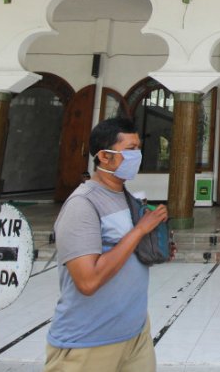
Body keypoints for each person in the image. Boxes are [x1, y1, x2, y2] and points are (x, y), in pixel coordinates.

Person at [45, 117, 168, 372]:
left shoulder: (127, 198)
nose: (137, 156)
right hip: (89, 340)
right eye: (130, 150)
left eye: (138, 148)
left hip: (135, 333)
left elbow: (125, 251)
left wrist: (152, 247)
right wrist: (141, 230)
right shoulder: (82, 204)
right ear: (104, 156)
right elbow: (88, 281)